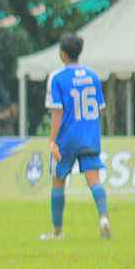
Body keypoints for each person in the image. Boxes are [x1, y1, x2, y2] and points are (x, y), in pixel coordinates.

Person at [40, 33, 112, 240]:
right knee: (94, 180)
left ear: (63, 54)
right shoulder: (93, 76)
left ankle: (58, 231)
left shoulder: (57, 78)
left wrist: (52, 140)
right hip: (89, 137)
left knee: (58, 180)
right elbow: (98, 108)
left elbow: (57, 111)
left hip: (67, 138)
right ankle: (104, 218)